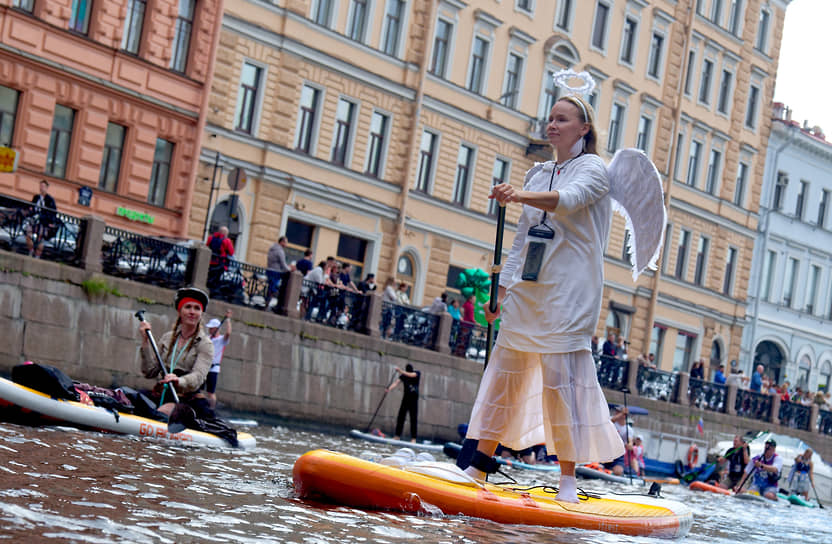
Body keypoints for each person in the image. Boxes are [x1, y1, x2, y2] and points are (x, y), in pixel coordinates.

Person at [461, 91, 639, 503]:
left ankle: (568, 482)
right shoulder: (537, 173)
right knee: (505, 372)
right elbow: (521, 239)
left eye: (562, 119)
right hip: (529, 289)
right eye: (551, 117)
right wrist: (498, 292)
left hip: (570, 294)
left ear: (584, 128)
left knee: (562, 383)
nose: (553, 124)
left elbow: (568, 201)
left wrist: (515, 197)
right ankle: (479, 466)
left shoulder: (596, 170)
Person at [138, 287, 214, 417]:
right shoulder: (167, 338)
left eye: (197, 308)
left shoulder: (206, 344)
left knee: (164, 411)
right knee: (131, 398)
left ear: (201, 314)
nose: (192, 312)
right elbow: (149, 371)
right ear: (179, 311)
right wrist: (145, 341)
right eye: (188, 307)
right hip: (164, 394)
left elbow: (198, 377)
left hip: (188, 400)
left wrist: (178, 381)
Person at [204, 309, 232, 408]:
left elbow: (228, 333)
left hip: (213, 369)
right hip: (204, 366)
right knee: (197, 389)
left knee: (210, 392)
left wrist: (228, 319)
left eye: (211, 328)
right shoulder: (207, 338)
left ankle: (212, 409)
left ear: (215, 328)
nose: (209, 329)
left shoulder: (221, 340)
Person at [386, 364, 420, 441]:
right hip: (406, 399)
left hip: (414, 400)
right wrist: (389, 389)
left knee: (413, 418)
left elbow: (412, 375)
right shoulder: (403, 376)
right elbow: (396, 383)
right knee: (401, 417)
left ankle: (413, 439)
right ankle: (397, 436)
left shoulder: (417, 373)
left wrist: (400, 371)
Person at [25, 180, 58, 258]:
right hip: (34, 219)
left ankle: (37, 255)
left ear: (46, 188)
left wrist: (50, 221)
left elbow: (53, 212)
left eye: (43, 186)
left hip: (44, 221)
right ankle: (31, 250)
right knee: (28, 234)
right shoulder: (36, 197)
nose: (41, 188)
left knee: (41, 238)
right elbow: (31, 206)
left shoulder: (50, 199)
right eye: (40, 186)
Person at [604, 406, 633, 476]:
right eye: (617, 412)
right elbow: (610, 421)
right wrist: (622, 413)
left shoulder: (629, 429)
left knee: (618, 472)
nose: (616, 413)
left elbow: (630, 443)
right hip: (606, 450)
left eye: (618, 412)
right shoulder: (612, 422)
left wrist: (629, 445)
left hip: (618, 454)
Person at [267, 236, 291, 303]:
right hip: (276, 272)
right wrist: (289, 269)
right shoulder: (280, 251)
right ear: (281, 242)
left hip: (269, 270)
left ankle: (267, 302)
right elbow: (283, 263)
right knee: (273, 289)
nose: (286, 244)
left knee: (270, 287)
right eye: (285, 242)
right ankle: (268, 303)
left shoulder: (272, 248)